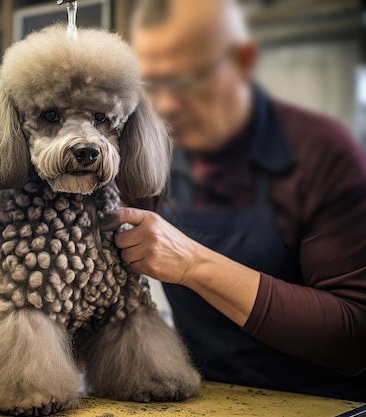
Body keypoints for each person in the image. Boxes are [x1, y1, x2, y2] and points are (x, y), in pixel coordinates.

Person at [114, 0, 366, 401]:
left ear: (244, 61)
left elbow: (355, 335)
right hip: (206, 397)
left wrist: (192, 263)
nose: (169, 104)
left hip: (325, 404)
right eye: (154, 83)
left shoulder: (322, 151)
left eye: (189, 78)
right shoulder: (152, 150)